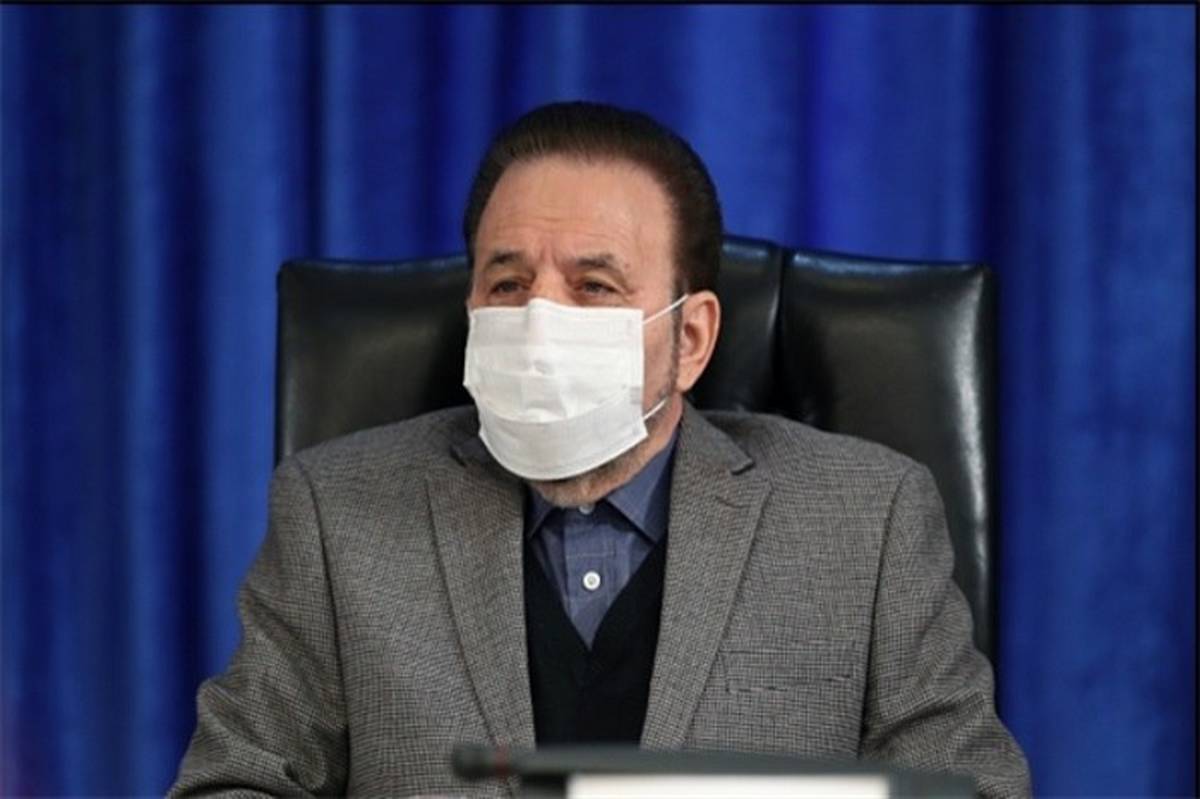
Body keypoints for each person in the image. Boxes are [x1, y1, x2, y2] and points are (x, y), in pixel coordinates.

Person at [170, 101, 1031, 797]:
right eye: (509, 283)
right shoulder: (337, 513)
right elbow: (232, 785)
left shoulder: (865, 523)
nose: (540, 319)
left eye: (594, 286)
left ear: (690, 339)